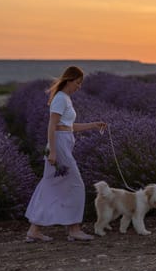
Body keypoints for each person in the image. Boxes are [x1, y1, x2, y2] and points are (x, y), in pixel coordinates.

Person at [25, 66, 106, 242]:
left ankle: (34, 229)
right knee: (75, 185)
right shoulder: (60, 99)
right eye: (77, 83)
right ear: (69, 80)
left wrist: (93, 125)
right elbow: (52, 126)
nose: (79, 86)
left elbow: (68, 126)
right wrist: (53, 151)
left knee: (50, 185)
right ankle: (74, 229)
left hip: (63, 142)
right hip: (59, 145)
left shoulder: (66, 99)